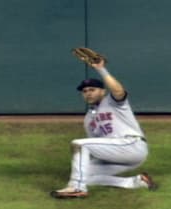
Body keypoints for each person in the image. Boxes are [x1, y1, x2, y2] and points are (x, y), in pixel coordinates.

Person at [50, 59, 157, 199]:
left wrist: (101, 69)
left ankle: (76, 188)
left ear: (103, 91)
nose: (88, 93)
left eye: (92, 89)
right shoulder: (88, 119)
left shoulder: (112, 102)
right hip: (118, 154)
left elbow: (118, 90)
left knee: (79, 144)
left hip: (132, 145)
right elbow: (94, 147)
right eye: (84, 91)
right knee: (84, 173)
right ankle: (136, 182)